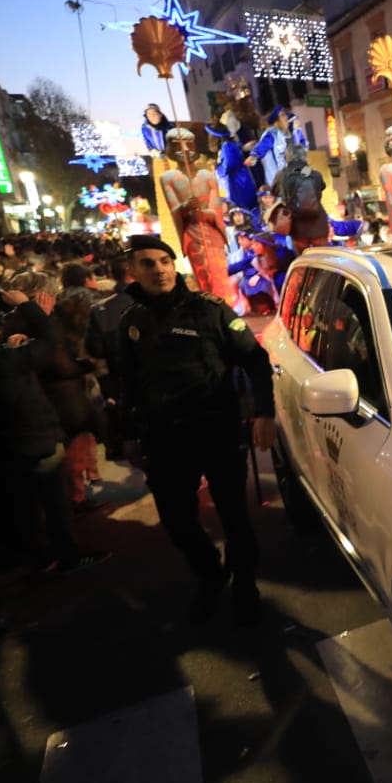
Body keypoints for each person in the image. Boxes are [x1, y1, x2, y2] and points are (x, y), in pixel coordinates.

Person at [115, 236, 277, 624]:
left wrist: (264, 413)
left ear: (175, 265)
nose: (159, 270)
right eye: (148, 264)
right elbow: (127, 383)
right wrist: (127, 435)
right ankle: (210, 572)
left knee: (234, 515)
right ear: (133, 272)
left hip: (217, 428)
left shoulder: (211, 310)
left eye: (165, 261)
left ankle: (244, 583)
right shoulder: (131, 322)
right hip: (165, 436)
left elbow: (255, 361)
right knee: (176, 520)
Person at [0, 294, 105, 575]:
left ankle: (40, 557)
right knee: (54, 503)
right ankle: (68, 555)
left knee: (22, 506)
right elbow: (49, 342)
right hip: (32, 438)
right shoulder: (6, 359)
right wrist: (30, 306)